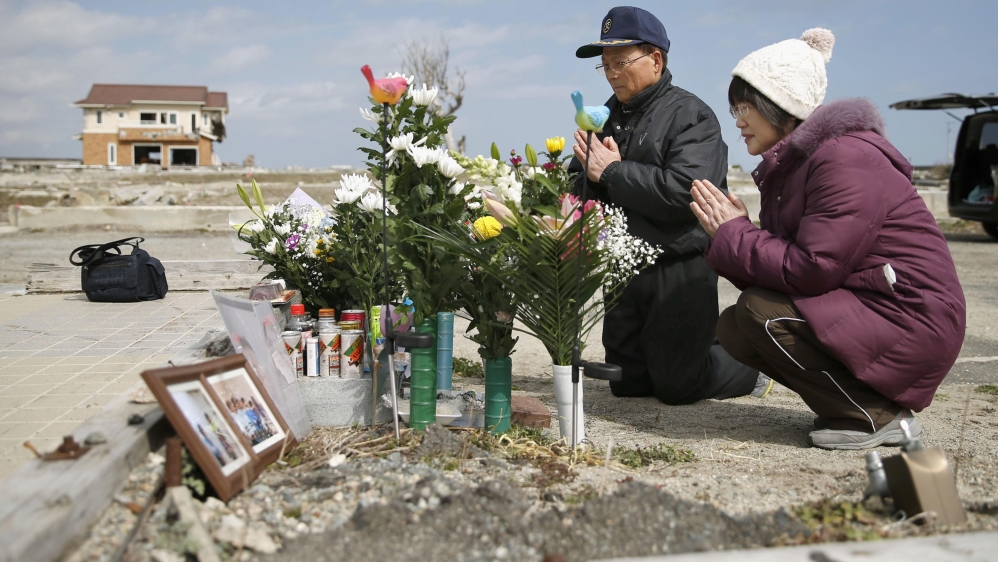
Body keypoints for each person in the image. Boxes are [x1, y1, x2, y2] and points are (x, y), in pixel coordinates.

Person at [690, 29, 966, 450]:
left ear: (780, 105)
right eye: (734, 110)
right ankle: (854, 405)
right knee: (735, 327)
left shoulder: (843, 158)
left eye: (745, 107)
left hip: (912, 314)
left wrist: (736, 234)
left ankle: (874, 417)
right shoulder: (796, 167)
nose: (739, 121)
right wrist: (737, 233)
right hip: (878, 306)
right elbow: (793, 272)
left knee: (758, 313)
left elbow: (812, 269)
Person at [570, 6, 764, 405]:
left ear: (656, 59)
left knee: (678, 387)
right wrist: (592, 177)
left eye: (620, 62)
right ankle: (697, 345)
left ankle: (751, 365)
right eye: (604, 65)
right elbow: (578, 186)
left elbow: (684, 191)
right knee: (627, 383)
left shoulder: (692, 116)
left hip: (679, 262)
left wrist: (611, 173)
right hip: (625, 266)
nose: (611, 73)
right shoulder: (603, 119)